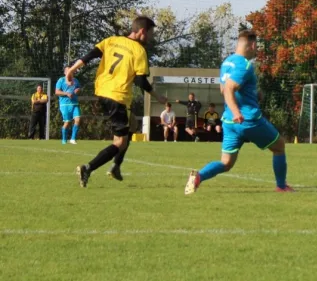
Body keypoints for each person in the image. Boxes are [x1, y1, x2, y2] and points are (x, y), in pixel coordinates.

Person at [185, 30, 292, 195]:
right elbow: (229, 88)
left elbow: (223, 89)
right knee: (279, 146)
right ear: (252, 44)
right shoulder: (245, 64)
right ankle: (281, 186)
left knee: (226, 163)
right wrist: (237, 111)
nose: (257, 50)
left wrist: (252, 96)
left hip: (229, 122)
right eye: (257, 47)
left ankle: (198, 176)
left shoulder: (226, 62)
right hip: (248, 120)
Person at [67, 16, 167, 188]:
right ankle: (88, 168)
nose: (150, 38)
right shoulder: (139, 51)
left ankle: (116, 167)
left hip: (102, 91)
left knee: (132, 124)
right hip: (117, 95)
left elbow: (90, 55)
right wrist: (157, 96)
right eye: (150, 34)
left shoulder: (111, 40)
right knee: (120, 142)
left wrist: (71, 70)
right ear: (142, 31)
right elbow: (140, 80)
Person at [55, 66, 82, 145]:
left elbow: (78, 88)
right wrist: (66, 93)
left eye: (71, 70)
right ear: (65, 72)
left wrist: (78, 90)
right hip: (65, 104)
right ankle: (64, 139)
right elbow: (57, 92)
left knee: (78, 120)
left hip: (75, 103)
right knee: (67, 123)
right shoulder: (61, 80)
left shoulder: (76, 80)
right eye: (67, 71)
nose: (69, 72)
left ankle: (73, 139)